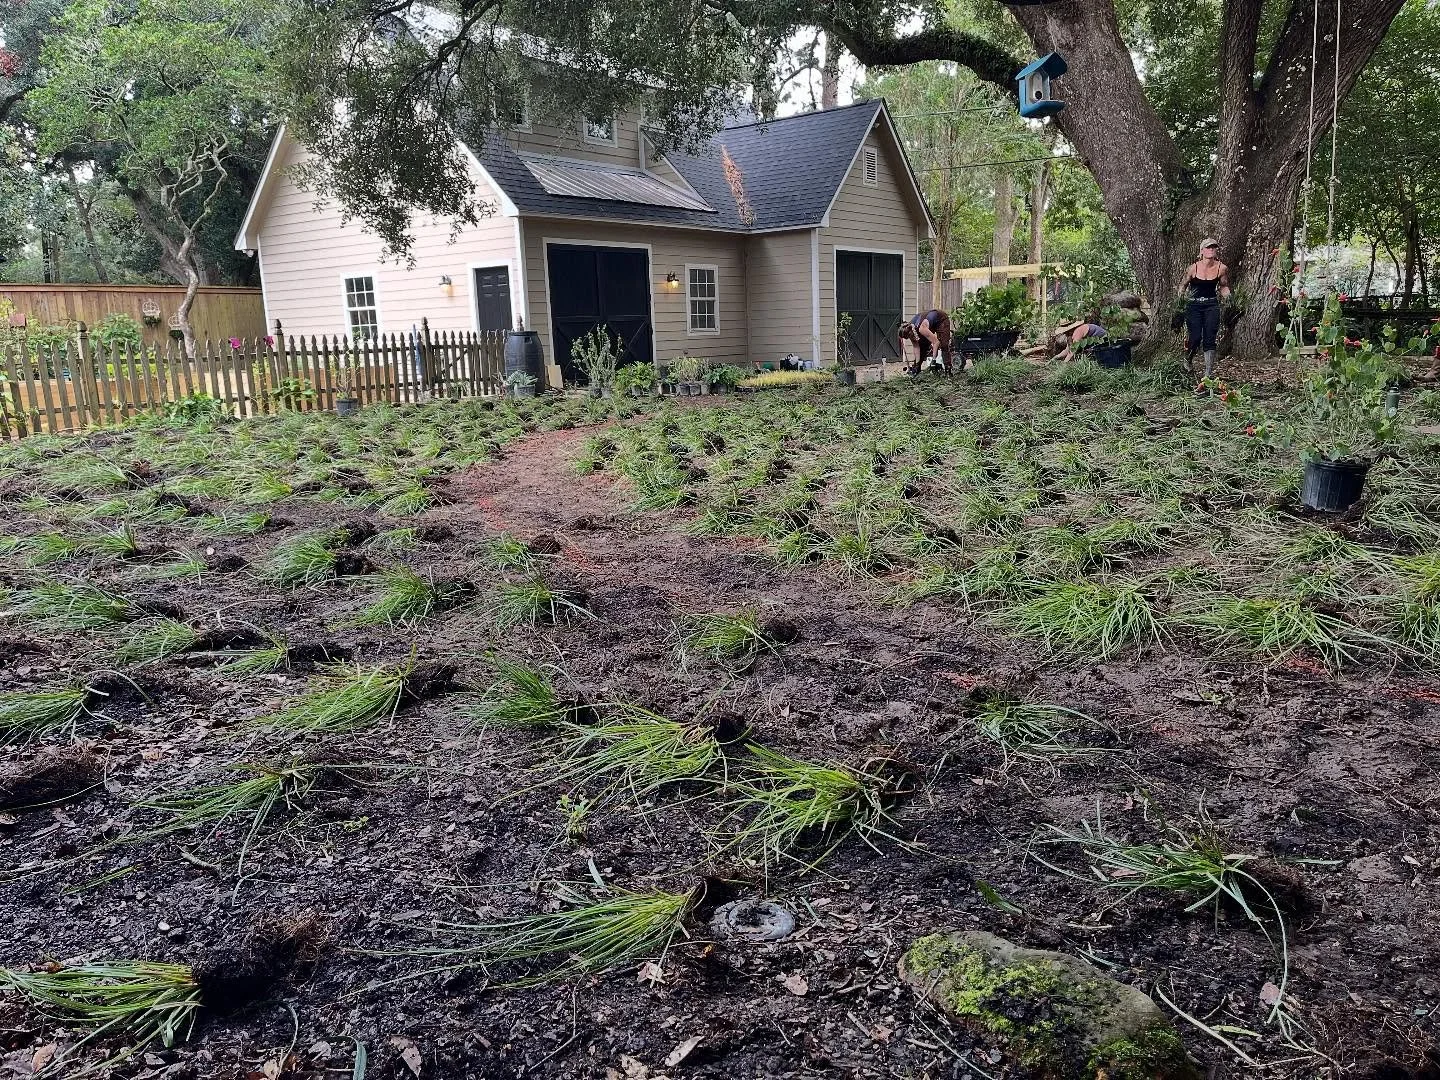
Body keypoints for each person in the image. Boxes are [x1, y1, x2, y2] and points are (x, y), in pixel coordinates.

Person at [1182, 238, 1231, 378]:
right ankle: (1188, 359)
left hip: (1211, 304)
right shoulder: (1193, 268)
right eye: (1208, 247)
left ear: (1216, 250)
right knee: (1195, 337)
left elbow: (1223, 286)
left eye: (1213, 247)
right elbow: (1183, 286)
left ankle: (1208, 374)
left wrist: (1229, 298)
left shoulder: (1222, 268)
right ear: (1202, 251)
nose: (1211, 249)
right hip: (1194, 305)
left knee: (1210, 337)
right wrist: (1179, 302)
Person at [899, 308, 955, 374]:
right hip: (929, 324)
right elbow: (916, 347)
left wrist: (933, 360)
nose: (910, 338)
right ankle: (916, 370)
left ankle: (948, 370)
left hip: (941, 320)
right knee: (922, 346)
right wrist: (917, 364)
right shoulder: (909, 328)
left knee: (944, 344)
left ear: (910, 333)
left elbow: (936, 342)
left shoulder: (921, 328)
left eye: (909, 336)